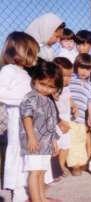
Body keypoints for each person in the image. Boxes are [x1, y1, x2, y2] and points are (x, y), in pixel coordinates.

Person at [0, 31, 39, 202]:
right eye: (31, 52)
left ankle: (24, 187)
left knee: (27, 153)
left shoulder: (24, 73)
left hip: (28, 121)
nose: (34, 57)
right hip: (17, 120)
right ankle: (17, 190)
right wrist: (24, 100)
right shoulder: (8, 70)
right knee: (17, 151)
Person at [19, 61, 63, 202]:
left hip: (46, 144)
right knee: (35, 172)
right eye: (42, 84)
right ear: (34, 80)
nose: (45, 89)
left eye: (51, 87)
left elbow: (51, 123)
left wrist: (54, 141)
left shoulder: (49, 102)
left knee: (43, 171)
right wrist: (31, 137)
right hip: (34, 143)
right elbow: (27, 117)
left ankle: (42, 198)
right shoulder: (30, 97)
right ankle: (36, 199)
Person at [67, 53, 91, 176]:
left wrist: (90, 117)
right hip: (68, 118)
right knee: (70, 143)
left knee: (80, 142)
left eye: (87, 68)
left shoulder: (90, 86)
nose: (84, 71)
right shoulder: (71, 79)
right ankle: (73, 166)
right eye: (81, 67)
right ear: (76, 67)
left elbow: (90, 103)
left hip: (81, 119)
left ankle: (80, 163)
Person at [53, 57, 76, 177]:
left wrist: (73, 106)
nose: (68, 79)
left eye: (70, 76)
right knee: (57, 145)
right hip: (57, 122)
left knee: (66, 145)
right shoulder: (53, 89)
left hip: (66, 120)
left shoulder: (67, 88)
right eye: (64, 76)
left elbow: (69, 98)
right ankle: (55, 167)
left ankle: (61, 165)